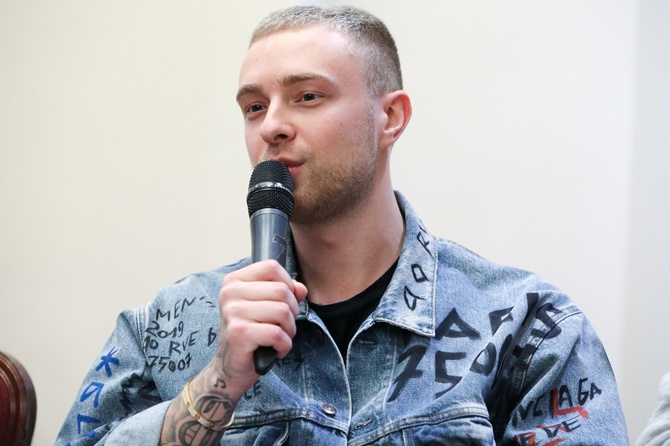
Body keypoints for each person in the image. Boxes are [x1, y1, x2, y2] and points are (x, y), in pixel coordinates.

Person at [57, 5, 629, 445]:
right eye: (254, 107)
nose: (272, 126)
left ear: (390, 117)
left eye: (307, 96)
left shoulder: (527, 327)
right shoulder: (166, 325)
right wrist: (219, 382)